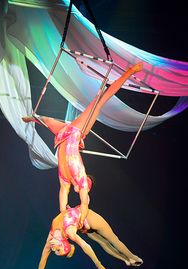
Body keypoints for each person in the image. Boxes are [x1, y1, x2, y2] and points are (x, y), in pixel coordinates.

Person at [23, 63, 143, 227]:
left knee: (46, 120)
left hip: (61, 135)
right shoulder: (81, 181)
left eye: (87, 183)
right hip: (76, 131)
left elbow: (62, 199)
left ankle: (34, 118)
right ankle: (129, 71)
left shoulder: (66, 181)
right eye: (88, 182)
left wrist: (66, 217)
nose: (86, 182)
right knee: (99, 102)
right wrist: (81, 219)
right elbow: (85, 204)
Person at [35, 205, 143, 269]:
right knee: (105, 243)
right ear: (63, 243)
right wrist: (98, 264)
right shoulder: (69, 232)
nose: (53, 249)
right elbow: (86, 246)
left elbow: (43, 258)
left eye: (55, 250)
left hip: (89, 219)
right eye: (58, 250)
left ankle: (131, 258)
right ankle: (128, 259)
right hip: (86, 225)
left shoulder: (51, 236)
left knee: (113, 241)